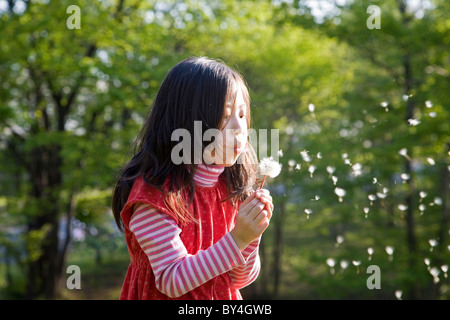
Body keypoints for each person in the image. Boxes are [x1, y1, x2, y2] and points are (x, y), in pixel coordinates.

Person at [112, 56, 274, 300]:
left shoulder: (230, 186)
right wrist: (238, 237)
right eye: (224, 116)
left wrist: (251, 235)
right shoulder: (155, 195)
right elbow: (172, 280)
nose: (239, 128)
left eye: (241, 116)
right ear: (188, 122)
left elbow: (240, 279)